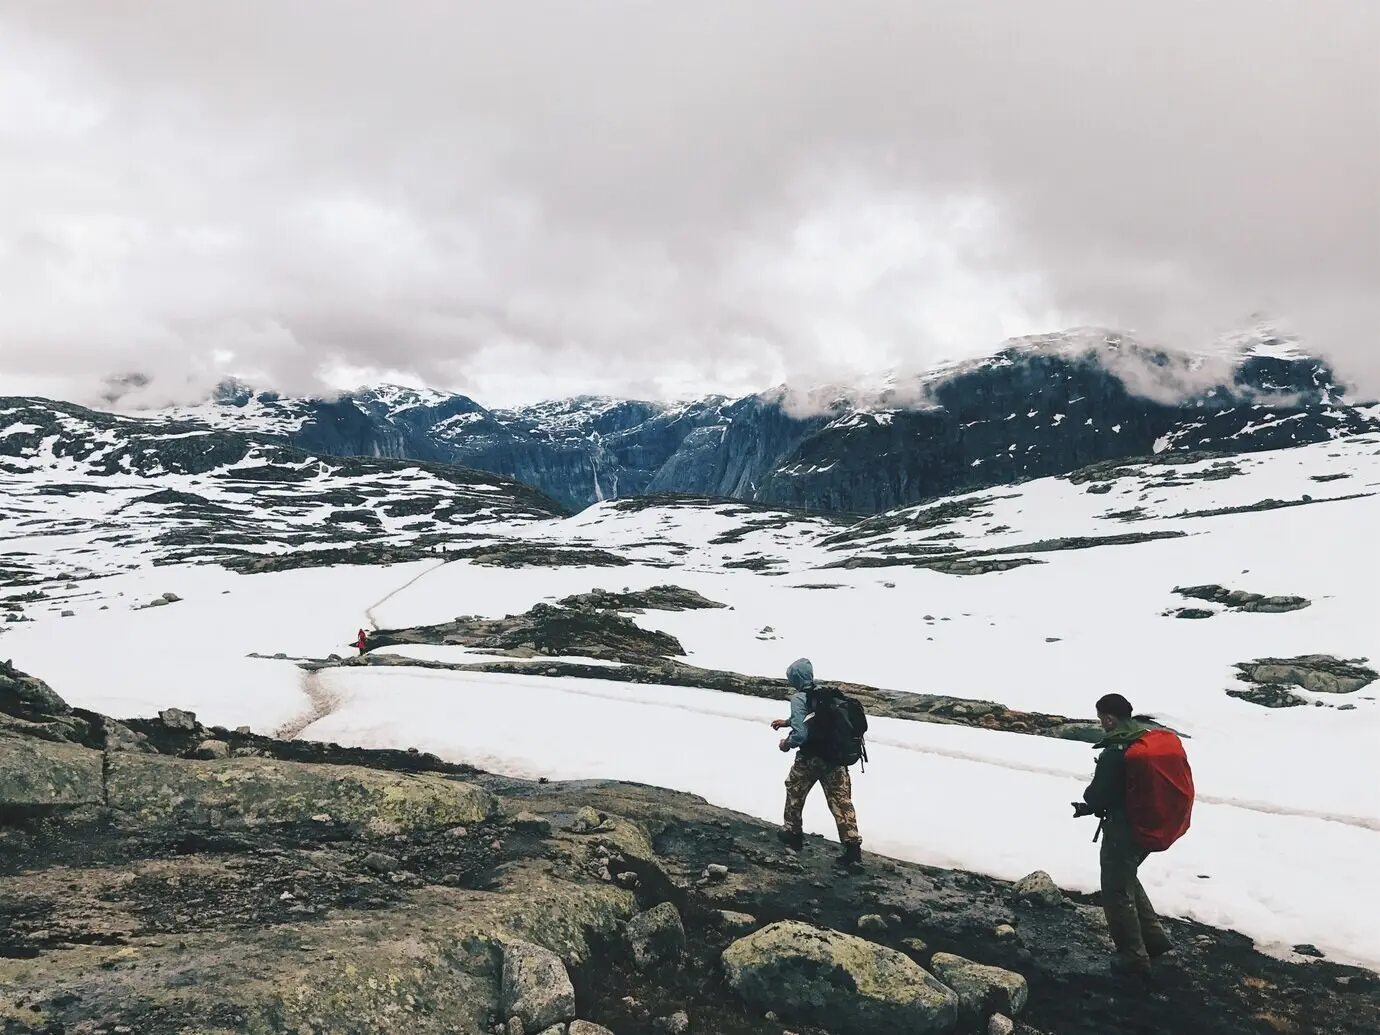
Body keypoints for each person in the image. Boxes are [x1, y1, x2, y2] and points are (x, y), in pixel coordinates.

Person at [1077, 692, 1174, 975]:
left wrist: (1089, 802)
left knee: (1116, 889)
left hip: (1124, 829)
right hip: (1146, 824)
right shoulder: (1145, 737)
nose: (1100, 724)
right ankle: (1155, 941)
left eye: (1100, 719)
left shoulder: (1116, 750)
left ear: (1109, 718)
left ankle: (1133, 955)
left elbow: (1097, 795)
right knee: (1126, 876)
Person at [770, 657, 864, 868]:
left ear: (795, 678)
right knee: (841, 801)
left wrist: (787, 743)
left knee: (794, 789)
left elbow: (802, 733)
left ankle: (793, 834)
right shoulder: (824, 695)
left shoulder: (799, 698)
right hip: (835, 758)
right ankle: (852, 849)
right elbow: (813, 719)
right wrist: (787, 722)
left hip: (811, 758)